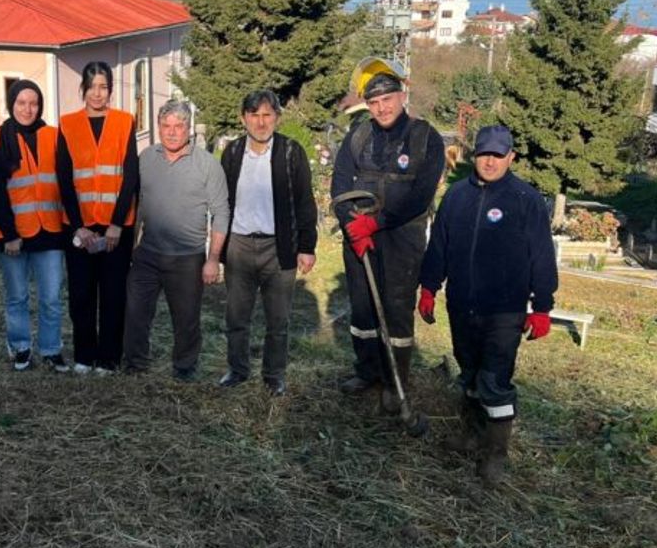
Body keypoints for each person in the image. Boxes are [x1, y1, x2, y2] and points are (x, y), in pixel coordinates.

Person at [418, 125, 557, 488]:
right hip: (462, 304)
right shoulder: (456, 196)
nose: (490, 162)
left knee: (494, 380)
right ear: (474, 155)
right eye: (484, 155)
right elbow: (439, 246)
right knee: (469, 374)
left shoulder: (525, 199)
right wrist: (429, 287)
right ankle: (471, 435)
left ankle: (496, 453)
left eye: (498, 155)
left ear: (511, 157)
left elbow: (542, 256)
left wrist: (542, 306)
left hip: (504, 309)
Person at [330, 57, 445, 411]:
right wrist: (352, 225)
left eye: (387, 99)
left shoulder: (426, 138)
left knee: (396, 309)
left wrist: (377, 223)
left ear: (402, 95)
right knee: (362, 309)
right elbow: (339, 186)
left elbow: (421, 196)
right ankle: (367, 371)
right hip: (359, 236)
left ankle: (396, 383)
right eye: (375, 102)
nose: (382, 108)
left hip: (403, 238)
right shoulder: (358, 136)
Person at [217, 90, 317, 396]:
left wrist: (307, 247)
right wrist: (218, 250)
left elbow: (305, 201)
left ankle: (274, 376)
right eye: (254, 115)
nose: (261, 123)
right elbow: (222, 202)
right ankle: (237, 370)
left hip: (279, 247)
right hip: (239, 245)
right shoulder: (233, 153)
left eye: (267, 115)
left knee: (278, 320)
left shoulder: (291, 152)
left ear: (277, 118)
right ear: (243, 118)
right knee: (236, 316)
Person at [122, 101, 230, 381]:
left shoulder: (207, 165)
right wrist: (131, 247)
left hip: (187, 258)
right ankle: (135, 365)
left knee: (186, 320)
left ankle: (184, 368)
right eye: (165, 126)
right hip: (147, 254)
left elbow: (221, 213)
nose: (171, 132)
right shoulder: (146, 158)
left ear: (188, 128)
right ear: (158, 127)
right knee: (135, 313)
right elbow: (138, 205)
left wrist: (213, 259)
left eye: (178, 126)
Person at [0, 80, 69, 372]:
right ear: (11, 104)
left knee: (51, 298)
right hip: (12, 236)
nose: (27, 109)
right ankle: (20, 347)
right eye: (21, 103)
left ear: (40, 105)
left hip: (50, 232)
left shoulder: (54, 136)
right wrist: (10, 234)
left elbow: (65, 184)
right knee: (17, 296)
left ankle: (51, 349)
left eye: (33, 103)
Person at [57, 61, 139, 375]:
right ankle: (84, 355)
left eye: (103, 87)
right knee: (81, 294)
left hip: (116, 228)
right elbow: (64, 179)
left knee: (113, 294)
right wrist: (78, 227)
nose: (97, 93)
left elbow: (130, 176)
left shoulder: (124, 122)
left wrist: (117, 224)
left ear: (111, 90)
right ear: (83, 89)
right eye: (91, 86)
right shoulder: (67, 124)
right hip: (80, 227)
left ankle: (108, 358)